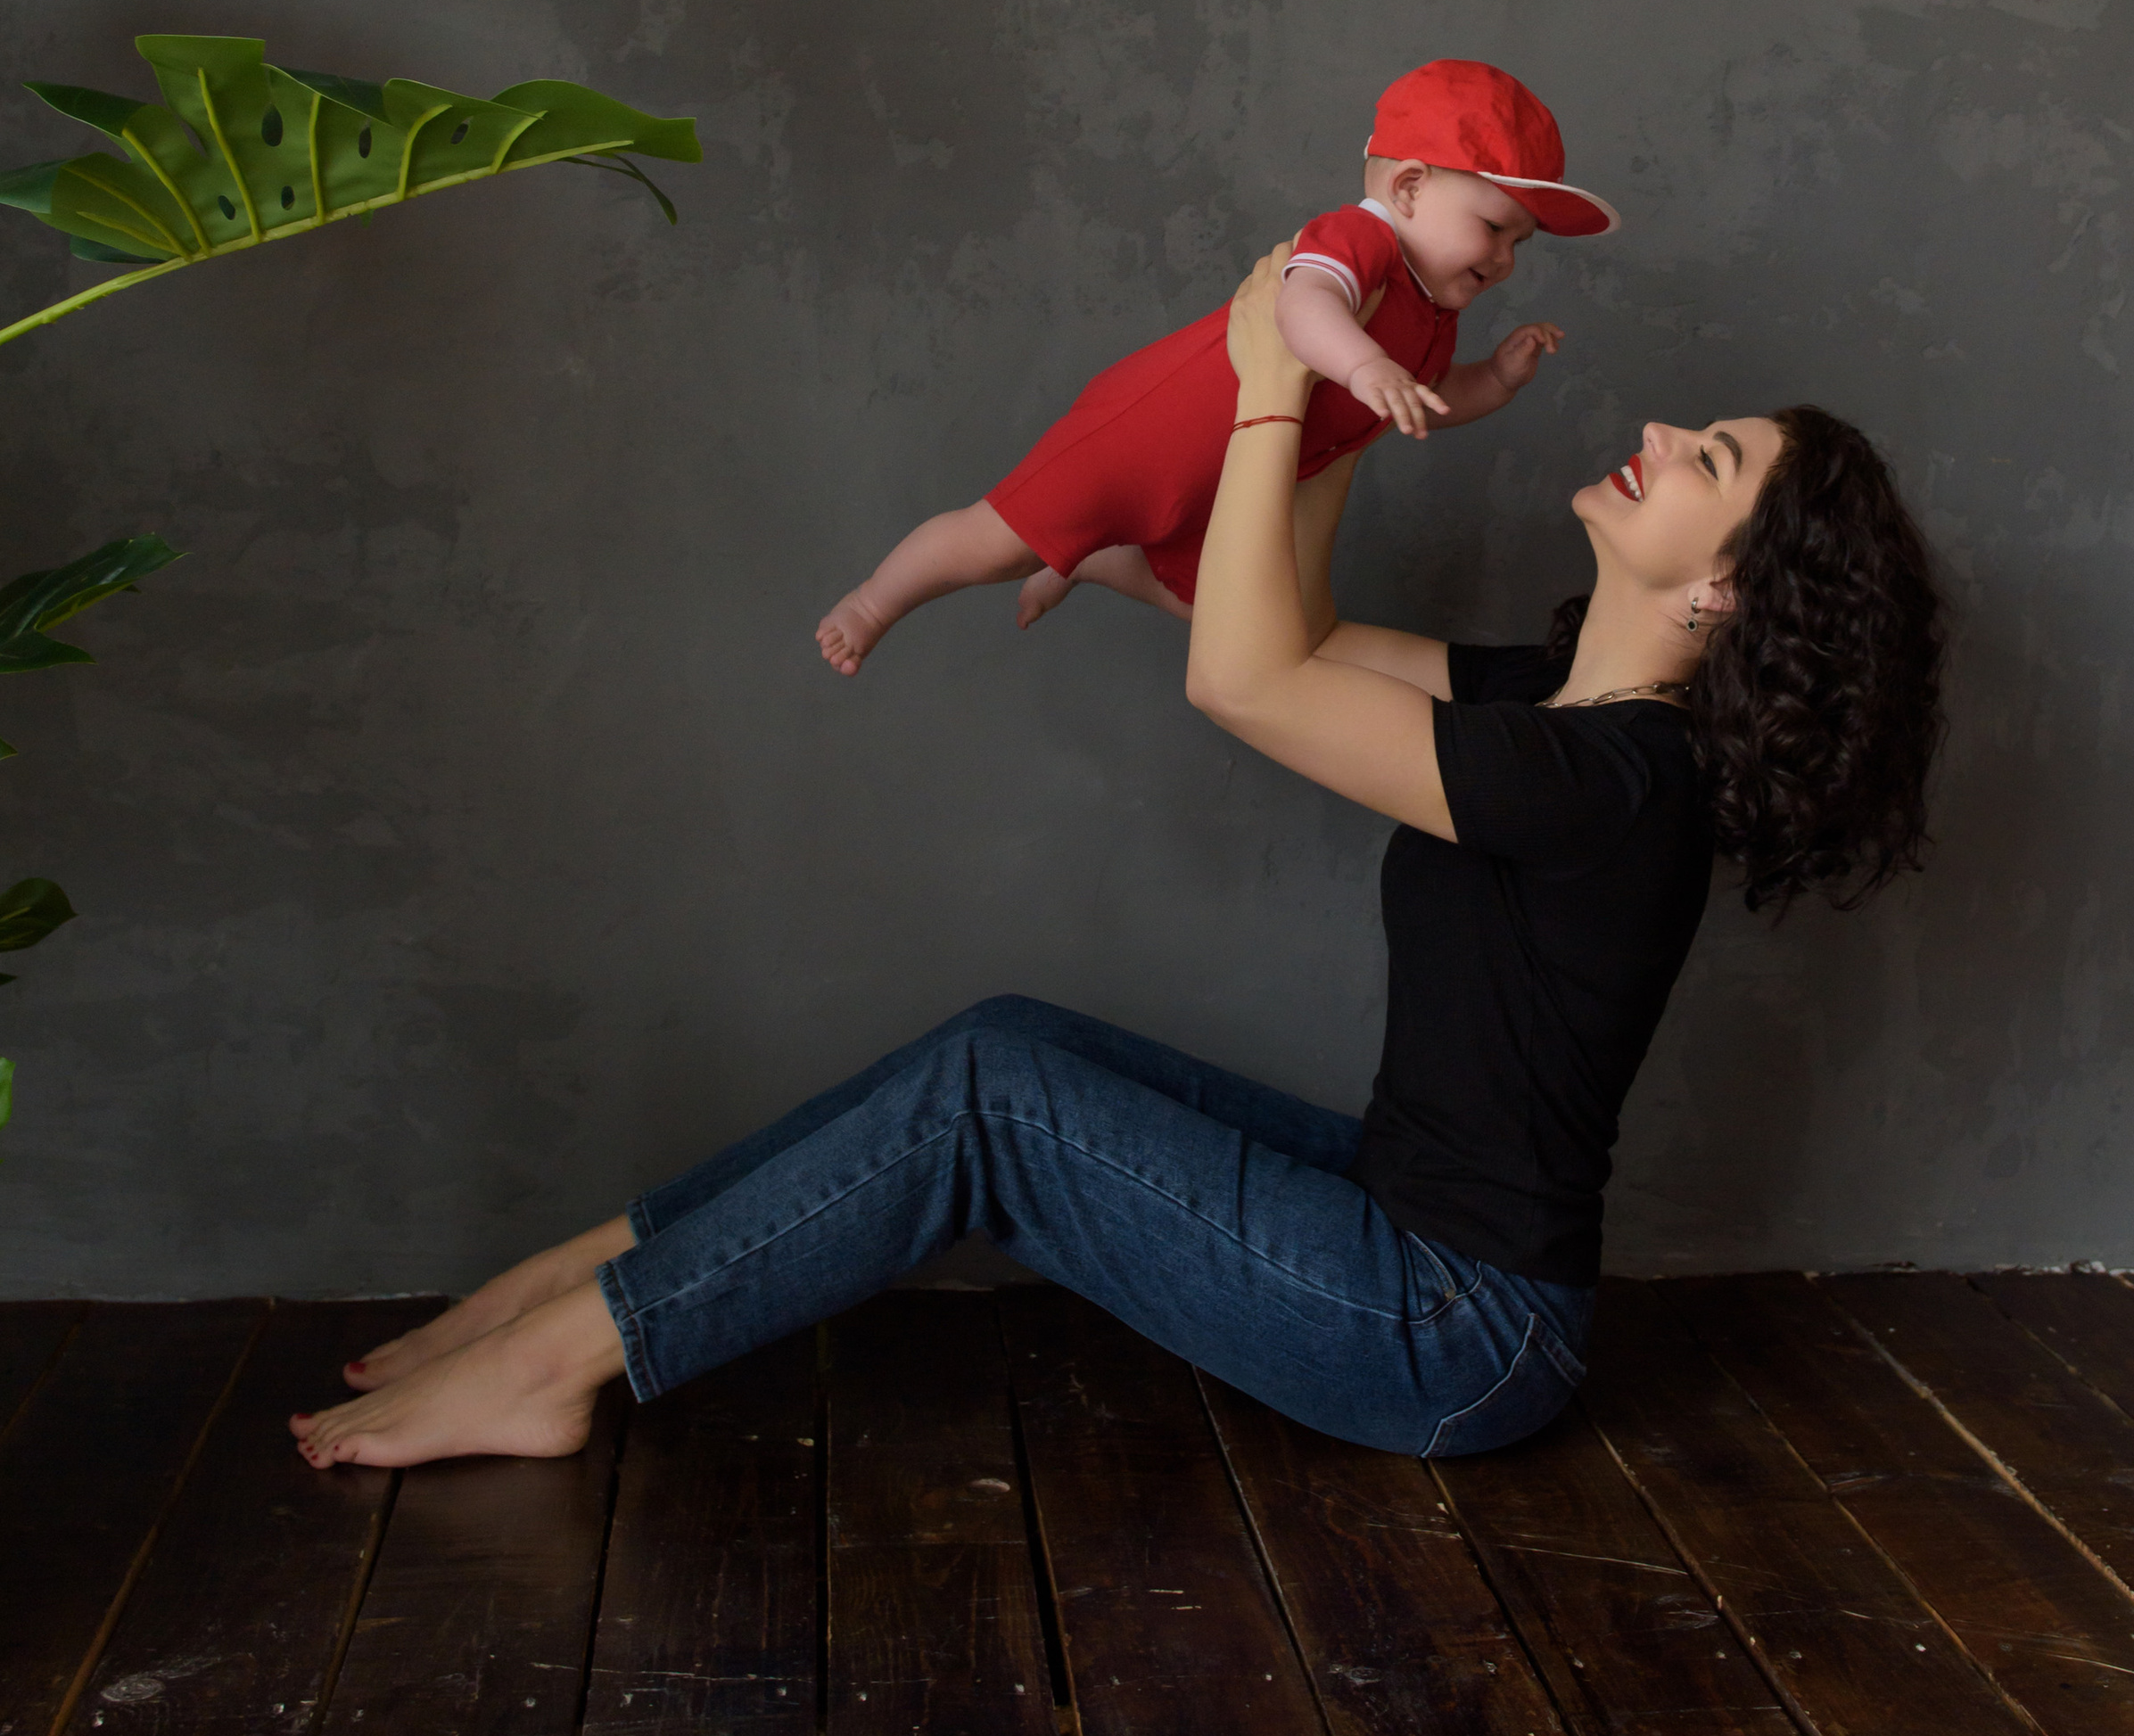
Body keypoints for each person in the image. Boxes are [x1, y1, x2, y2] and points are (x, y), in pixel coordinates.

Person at [291, 246, 1944, 1473]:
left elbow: (1243, 681)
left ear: (1723, 593)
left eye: (1709, 459)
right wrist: (1339, 404)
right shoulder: (1542, 702)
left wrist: (1273, 364)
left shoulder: (1613, 780)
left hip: (1454, 1330)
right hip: (1400, 1219)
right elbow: (1278, 627)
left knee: (993, 1112)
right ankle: (580, 1278)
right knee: (1009, 1045)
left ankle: (567, 1364)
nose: (1664, 428)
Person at [812, 58, 1614, 673]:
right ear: (1406, 188)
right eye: (1495, 228)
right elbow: (1301, 308)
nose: (1507, 260)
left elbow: (1428, 398)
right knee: (999, 544)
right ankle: (877, 598)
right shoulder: (1360, 240)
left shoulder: (1436, 312)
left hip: (1237, 476)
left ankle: (1093, 561)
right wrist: (1365, 365)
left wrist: (1496, 381)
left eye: (1520, 244)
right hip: (1147, 437)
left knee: (1230, 616)